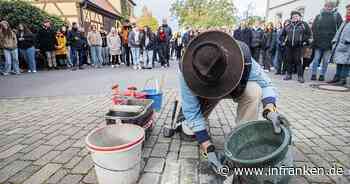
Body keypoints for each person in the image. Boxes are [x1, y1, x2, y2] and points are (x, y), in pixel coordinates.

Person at [176, 31, 284, 172]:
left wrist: (269, 108)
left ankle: (244, 137)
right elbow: (192, 111)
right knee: (189, 132)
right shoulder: (186, 72)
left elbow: (266, 84)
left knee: (255, 90)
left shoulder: (242, 57)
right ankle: (182, 109)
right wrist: (207, 147)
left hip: (235, 86)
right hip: (206, 93)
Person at [310, 1, 343, 81]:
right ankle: (314, 74)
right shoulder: (319, 16)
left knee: (325, 61)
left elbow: (340, 29)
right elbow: (313, 28)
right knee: (316, 60)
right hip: (318, 42)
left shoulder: (336, 16)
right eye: (327, 6)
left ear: (332, 7)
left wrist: (335, 41)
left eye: (330, 7)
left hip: (329, 43)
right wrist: (315, 39)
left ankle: (322, 75)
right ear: (324, 7)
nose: (328, 8)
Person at [280, 11, 311, 83]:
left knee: (298, 61)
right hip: (288, 46)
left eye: (297, 16)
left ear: (299, 17)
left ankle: (300, 76)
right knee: (288, 60)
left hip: (299, 46)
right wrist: (283, 42)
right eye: (293, 16)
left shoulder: (304, 24)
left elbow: (309, 34)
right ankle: (288, 74)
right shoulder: (288, 25)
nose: (295, 17)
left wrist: (304, 41)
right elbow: (282, 35)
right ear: (291, 17)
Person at [328, 4, 350, 86]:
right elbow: (338, 32)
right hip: (340, 45)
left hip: (347, 46)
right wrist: (334, 41)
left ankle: (343, 79)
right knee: (339, 62)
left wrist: (347, 41)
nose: (348, 12)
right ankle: (337, 77)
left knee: (346, 63)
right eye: (347, 10)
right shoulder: (345, 21)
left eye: (349, 10)